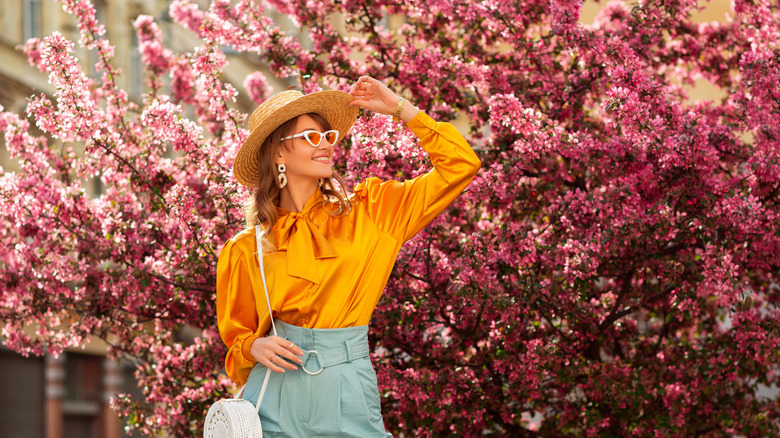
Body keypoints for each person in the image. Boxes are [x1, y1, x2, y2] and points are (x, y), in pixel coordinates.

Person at [216, 76, 481, 437]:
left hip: (347, 388)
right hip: (274, 396)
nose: (325, 145)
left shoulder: (373, 211)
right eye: (310, 137)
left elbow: (460, 165)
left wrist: (401, 109)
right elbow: (238, 338)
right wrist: (254, 345)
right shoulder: (246, 248)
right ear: (278, 152)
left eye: (328, 136)